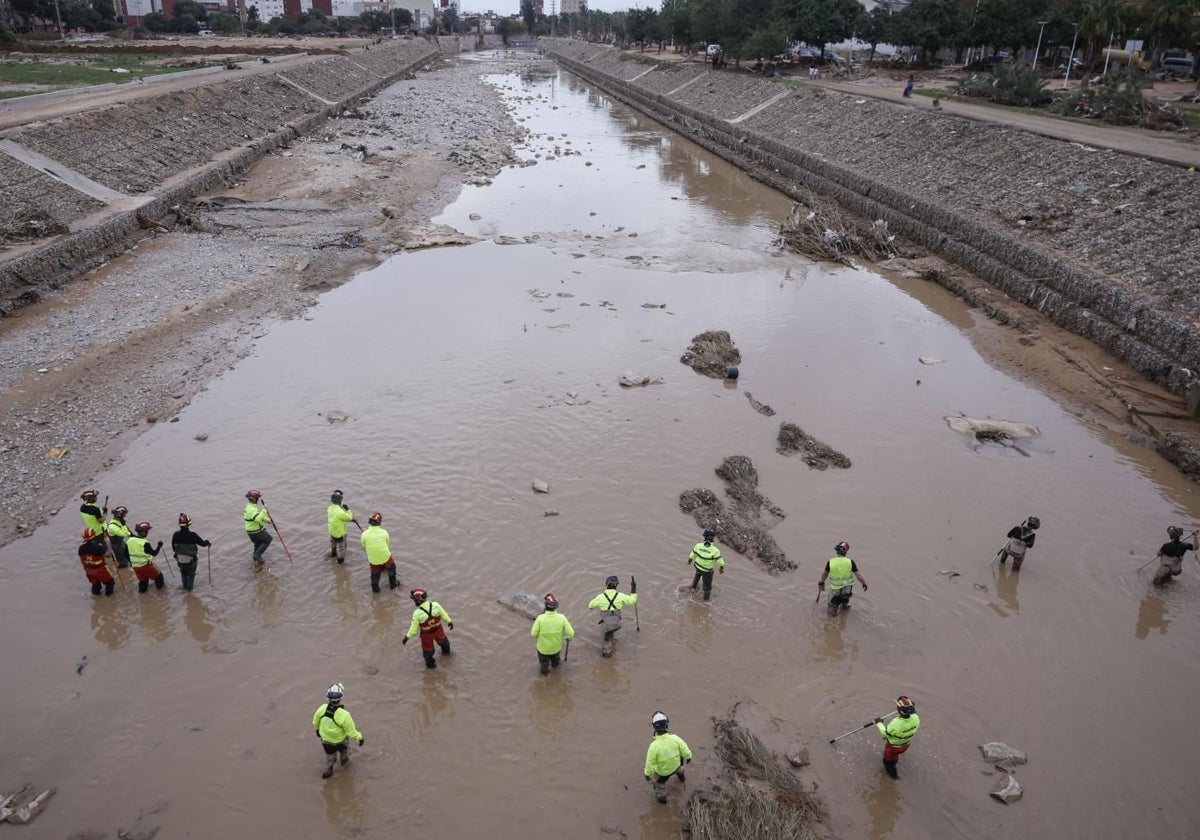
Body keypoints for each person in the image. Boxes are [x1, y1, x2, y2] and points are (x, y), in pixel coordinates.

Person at [312, 683, 363, 779]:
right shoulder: (344, 715)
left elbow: (315, 721)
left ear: (328, 698)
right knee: (344, 754)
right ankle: (344, 764)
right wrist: (359, 738)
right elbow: (351, 731)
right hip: (341, 741)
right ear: (341, 698)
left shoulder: (321, 709)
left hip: (326, 741)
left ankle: (328, 770)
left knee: (329, 757)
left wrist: (317, 730)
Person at [644, 711, 692, 804]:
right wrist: (688, 757)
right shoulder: (675, 738)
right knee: (680, 769)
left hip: (662, 773)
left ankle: (662, 798)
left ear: (654, 728)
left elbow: (650, 763)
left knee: (659, 784)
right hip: (676, 765)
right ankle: (681, 777)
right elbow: (684, 749)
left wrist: (647, 774)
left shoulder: (654, 746)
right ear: (667, 725)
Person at [402, 588, 453, 668]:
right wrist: (449, 622)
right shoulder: (436, 605)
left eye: (414, 600)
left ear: (418, 600)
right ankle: (447, 657)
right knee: (445, 644)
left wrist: (407, 637)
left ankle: (431, 668)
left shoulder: (417, 613)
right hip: (438, 631)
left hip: (426, 635)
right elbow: (444, 614)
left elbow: (413, 629)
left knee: (428, 652)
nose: (414, 602)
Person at [588, 575, 637, 657]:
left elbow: (590, 605)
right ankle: (611, 633)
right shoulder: (621, 596)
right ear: (617, 585)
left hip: (606, 625)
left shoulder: (601, 597)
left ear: (606, 584)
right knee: (612, 629)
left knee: (606, 640)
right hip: (617, 624)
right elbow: (633, 601)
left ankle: (607, 657)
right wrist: (633, 590)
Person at [818, 541, 868, 616]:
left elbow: (824, 574)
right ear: (845, 552)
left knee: (832, 608)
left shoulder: (831, 562)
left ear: (837, 551)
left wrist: (821, 582)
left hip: (835, 590)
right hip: (847, 590)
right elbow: (859, 576)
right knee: (845, 600)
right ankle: (844, 607)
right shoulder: (850, 562)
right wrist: (864, 583)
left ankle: (832, 620)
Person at [876, 696, 920, 779]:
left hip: (893, 748)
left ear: (900, 710)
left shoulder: (896, 724)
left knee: (888, 762)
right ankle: (894, 762)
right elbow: (914, 713)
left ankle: (894, 777)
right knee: (894, 757)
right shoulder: (916, 718)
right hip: (906, 745)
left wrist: (879, 723)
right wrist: (910, 707)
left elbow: (885, 734)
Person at [530, 593, 574, 675]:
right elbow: (571, 633)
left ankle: (544, 674)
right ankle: (556, 670)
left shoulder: (540, 618)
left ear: (545, 606)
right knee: (556, 662)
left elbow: (533, 634)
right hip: (556, 648)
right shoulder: (562, 618)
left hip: (543, 649)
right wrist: (569, 638)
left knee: (544, 664)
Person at [171, 513, 212, 592]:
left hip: (179, 561)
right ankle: (189, 593)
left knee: (183, 573)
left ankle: (184, 588)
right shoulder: (193, 535)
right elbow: (202, 544)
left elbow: (173, 548)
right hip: (190, 562)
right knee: (190, 576)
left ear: (179, 524)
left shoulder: (175, 535)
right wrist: (207, 542)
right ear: (189, 523)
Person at [359, 512, 397, 593]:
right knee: (392, 568)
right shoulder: (384, 532)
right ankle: (393, 585)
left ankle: (375, 590)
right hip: (385, 556)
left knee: (375, 574)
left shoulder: (364, 534)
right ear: (379, 522)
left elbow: (363, 546)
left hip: (373, 559)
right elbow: (387, 544)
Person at [687, 529, 725, 601]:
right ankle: (706, 601)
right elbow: (721, 562)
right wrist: (721, 568)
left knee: (697, 575)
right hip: (707, 571)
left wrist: (689, 561)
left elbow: (692, 555)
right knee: (707, 587)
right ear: (712, 538)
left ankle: (693, 588)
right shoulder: (715, 550)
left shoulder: (698, 546)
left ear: (704, 537)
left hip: (697, 566)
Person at [127, 521, 165, 593]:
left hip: (135, 566)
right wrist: (159, 546)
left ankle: (143, 596)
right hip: (145, 565)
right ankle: (161, 594)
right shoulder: (144, 543)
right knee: (159, 577)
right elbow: (154, 553)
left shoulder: (130, 540)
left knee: (143, 581)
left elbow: (127, 553)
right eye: (146, 531)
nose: (147, 532)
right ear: (144, 532)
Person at [78, 528, 115, 596]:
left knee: (95, 584)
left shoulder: (81, 548)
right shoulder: (98, 548)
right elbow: (109, 555)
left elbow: (82, 561)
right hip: (100, 570)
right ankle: (110, 599)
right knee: (110, 582)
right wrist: (108, 544)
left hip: (88, 571)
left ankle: (96, 598)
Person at [243, 490, 273, 566]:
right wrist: (264, 510)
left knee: (258, 543)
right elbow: (258, 518)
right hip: (255, 531)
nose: (258, 500)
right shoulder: (251, 509)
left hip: (251, 531)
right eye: (257, 498)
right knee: (268, 539)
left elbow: (257, 516)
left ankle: (255, 557)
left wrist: (268, 520)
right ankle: (258, 555)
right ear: (254, 499)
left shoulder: (251, 506)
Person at [327, 490, 356, 564]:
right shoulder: (340, 512)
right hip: (340, 534)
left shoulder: (330, 508)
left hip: (332, 532)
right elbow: (349, 518)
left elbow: (337, 515)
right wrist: (348, 510)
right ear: (340, 500)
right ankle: (340, 562)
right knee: (342, 548)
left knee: (333, 544)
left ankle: (333, 555)